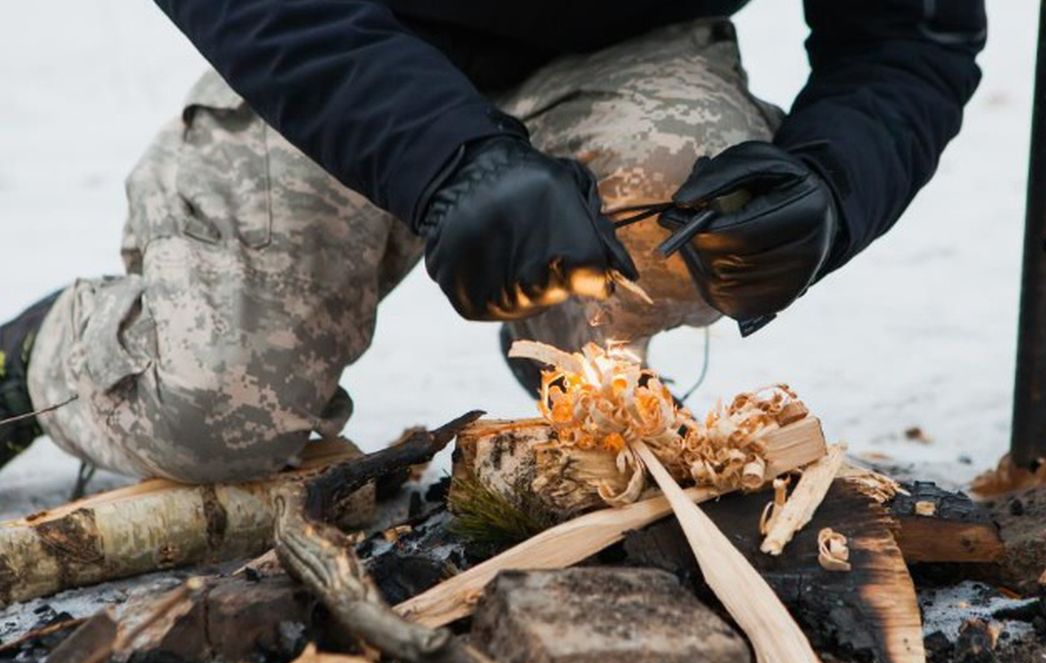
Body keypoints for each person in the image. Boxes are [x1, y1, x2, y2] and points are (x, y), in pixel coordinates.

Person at [0, 1, 986, 483]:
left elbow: (911, 36)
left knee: (706, 230)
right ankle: (44, 354)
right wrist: (447, 160)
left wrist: (831, 184)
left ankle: (566, 330)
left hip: (622, 49)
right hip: (336, 49)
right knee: (215, 409)